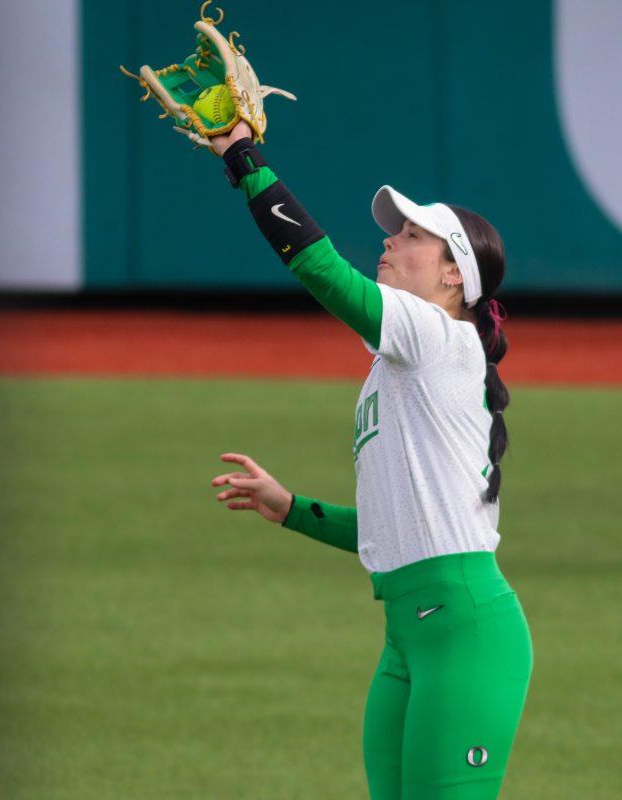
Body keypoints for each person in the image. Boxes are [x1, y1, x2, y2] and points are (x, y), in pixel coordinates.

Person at [207, 119, 532, 800]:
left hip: (465, 633)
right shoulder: (400, 365)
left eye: (412, 234)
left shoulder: (440, 336)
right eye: (397, 230)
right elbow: (396, 530)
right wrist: (292, 508)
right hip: (408, 640)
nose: (391, 238)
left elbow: (319, 268)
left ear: (453, 274)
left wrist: (243, 158)